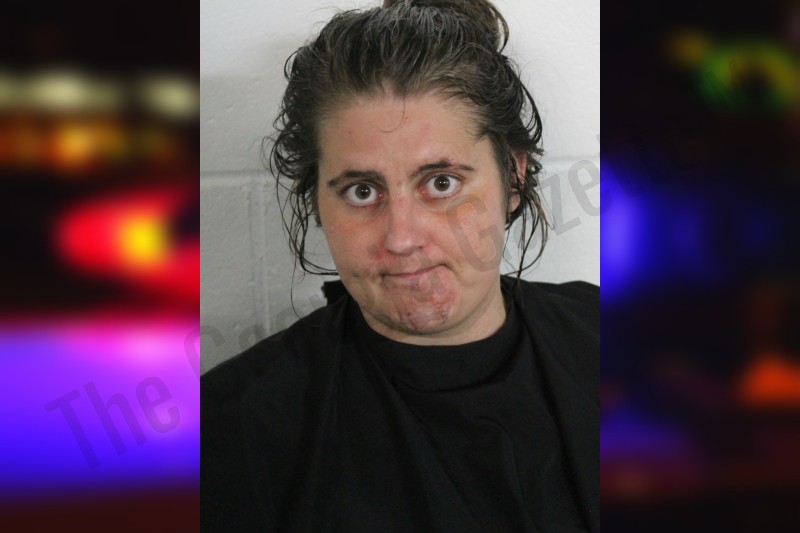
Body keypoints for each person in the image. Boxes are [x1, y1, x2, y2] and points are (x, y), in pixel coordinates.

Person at [201, 1, 598, 531]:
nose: (402, 238)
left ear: (513, 178)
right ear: (318, 202)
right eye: (362, 191)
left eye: (441, 183)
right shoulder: (228, 432)